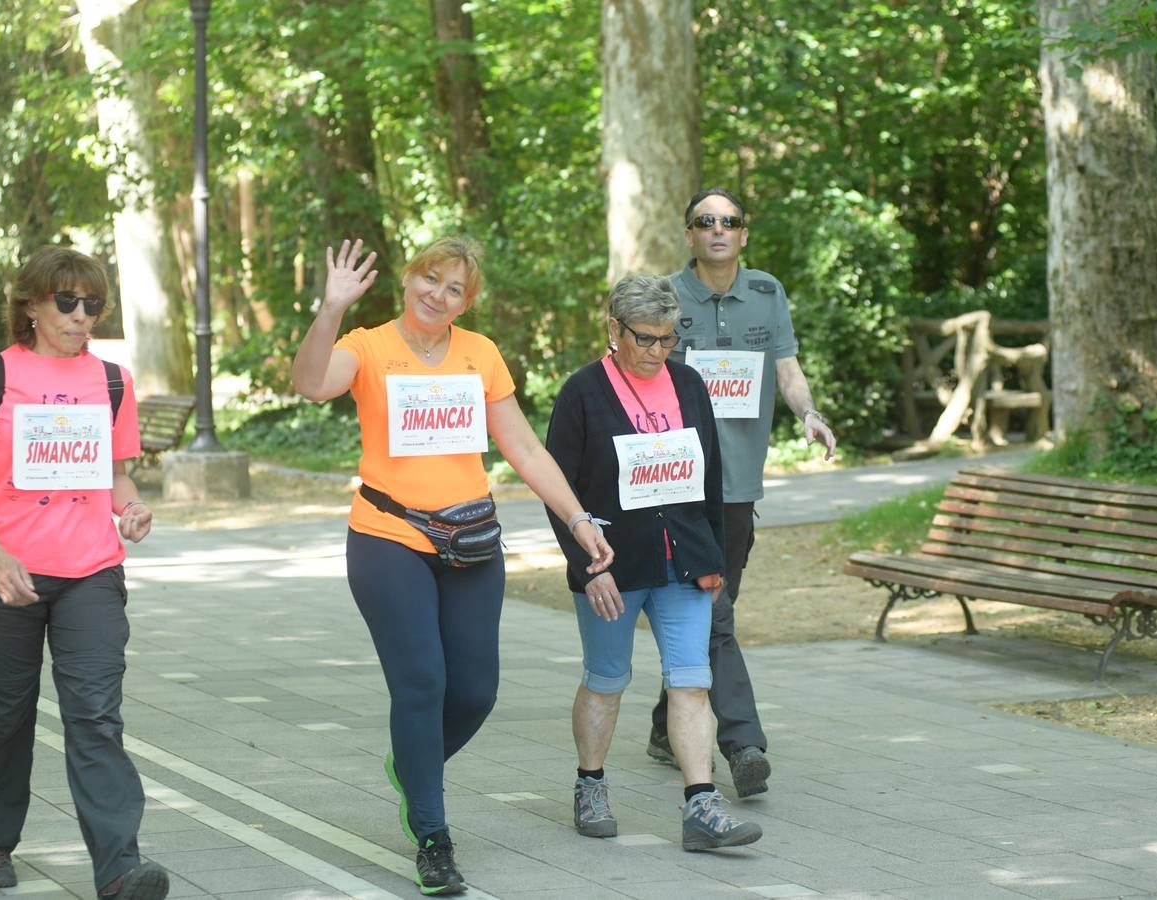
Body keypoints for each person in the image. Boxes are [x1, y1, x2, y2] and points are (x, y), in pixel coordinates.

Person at [292, 236, 614, 895]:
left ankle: (412, 765)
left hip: (471, 540)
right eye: (429, 279)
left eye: (454, 288)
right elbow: (310, 384)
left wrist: (579, 519)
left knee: (475, 691)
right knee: (420, 684)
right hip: (389, 537)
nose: (437, 294)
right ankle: (434, 839)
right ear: (408, 279)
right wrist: (329, 309)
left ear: (468, 301)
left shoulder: (479, 355)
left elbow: (522, 445)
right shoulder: (369, 345)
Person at [0, 246, 169, 899]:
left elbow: (116, 474)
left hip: (92, 573)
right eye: (66, 301)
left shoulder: (113, 381)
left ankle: (120, 865)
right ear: (33, 305)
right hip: (5, 575)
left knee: (96, 716)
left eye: (91, 304)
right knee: (8, 716)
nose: (79, 315)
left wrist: (131, 508)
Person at [544, 274, 763, 852]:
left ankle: (702, 807)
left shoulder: (690, 385)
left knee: (692, 683)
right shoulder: (583, 392)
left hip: (685, 563)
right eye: (646, 339)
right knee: (607, 680)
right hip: (613, 565)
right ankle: (590, 784)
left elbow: (709, 478)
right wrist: (588, 567)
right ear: (613, 330)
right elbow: (556, 489)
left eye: (668, 339)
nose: (659, 351)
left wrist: (712, 556)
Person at [648, 187, 837, 798]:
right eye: (706, 222)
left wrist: (808, 413)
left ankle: (663, 724)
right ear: (690, 234)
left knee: (709, 610)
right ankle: (742, 743)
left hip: (738, 487)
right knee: (714, 613)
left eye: (729, 222)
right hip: (679, 486)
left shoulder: (766, 292)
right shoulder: (665, 298)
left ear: (744, 234)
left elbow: (786, 366)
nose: (718, 230)